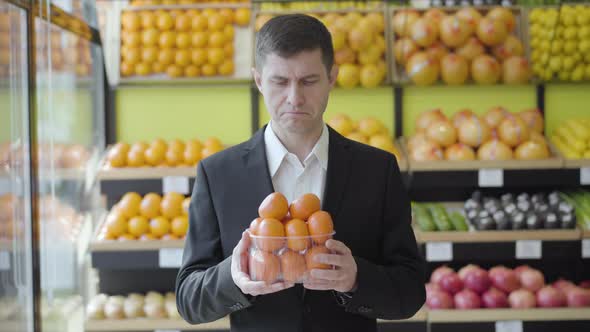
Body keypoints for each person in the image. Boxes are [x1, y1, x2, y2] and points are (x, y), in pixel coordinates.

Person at [175, 14, 425, 332]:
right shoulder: (218, 175)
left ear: (332, 78)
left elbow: (411, 291)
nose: (294, 98)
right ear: (258, 81)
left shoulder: (378, 170)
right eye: (280, 81)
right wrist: (234, 278)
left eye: (309, 81)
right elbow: (188, 299)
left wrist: (356, 278)